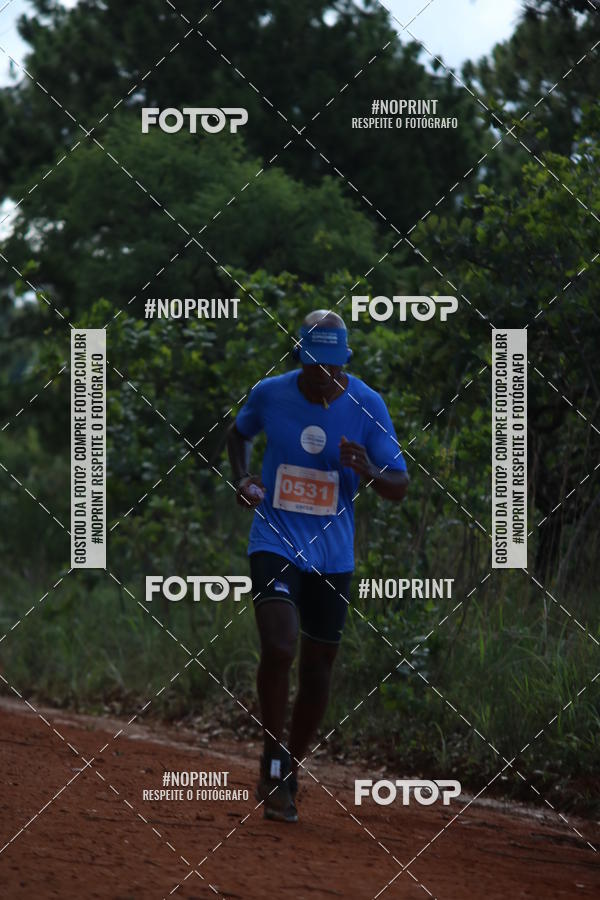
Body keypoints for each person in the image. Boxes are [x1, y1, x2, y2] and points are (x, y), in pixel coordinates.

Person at [226, 310, 409, 822]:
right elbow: (236, 434)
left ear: (343, 363)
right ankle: (270, 751)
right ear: (299, 359)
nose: (322, 376)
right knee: (280, 646)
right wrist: (242, 480)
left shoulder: (367, 405)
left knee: (317, 667)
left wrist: (366, 468)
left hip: (333, 556)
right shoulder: (271, 393)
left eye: (332, 367)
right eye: (313, 365)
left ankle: (286, 770)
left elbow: (399, 485)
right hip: (275, 540)